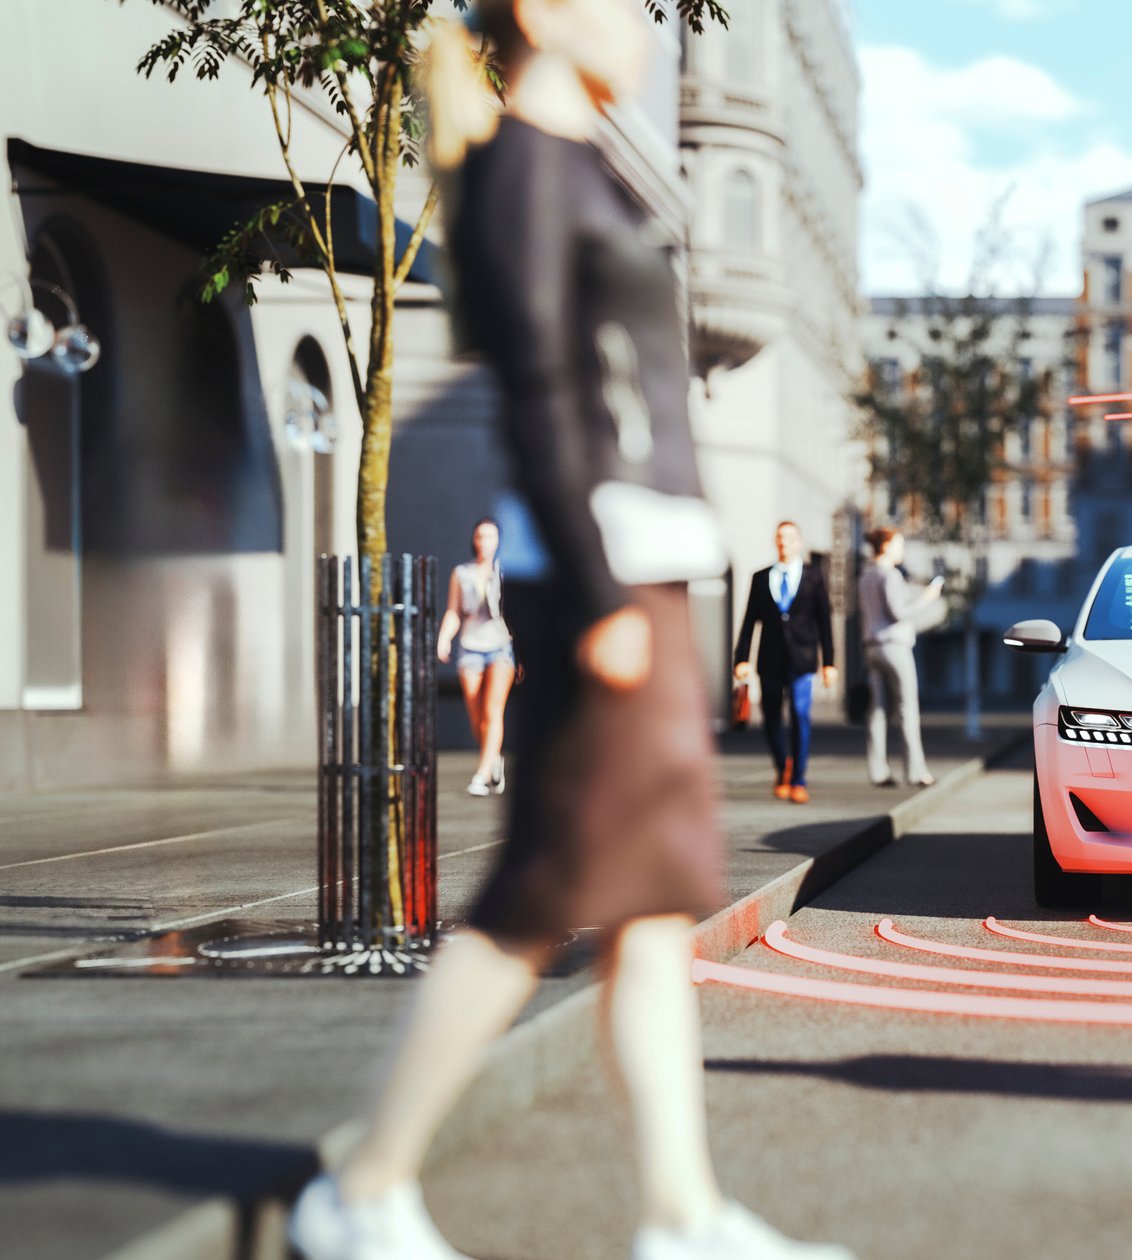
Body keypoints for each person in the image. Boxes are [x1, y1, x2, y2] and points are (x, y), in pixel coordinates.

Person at [287, 4, 854, 1258]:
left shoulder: (579, 162)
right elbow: (544, 399)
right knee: (541, 891)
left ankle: (680, 1217)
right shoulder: (521, 174)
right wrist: (597, 603)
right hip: (598, 578)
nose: (644, 30)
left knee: (651, 908)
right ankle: (366, 1186)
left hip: (636, 569)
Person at [732, 521, 837, 805]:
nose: (784, 542)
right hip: (769, 658)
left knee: (801, 715)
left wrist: (829, 661)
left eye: (789, 537)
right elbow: (749, 621)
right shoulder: (760, 577)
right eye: (779, 537)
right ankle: (783, 768)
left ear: (798, 543)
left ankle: (799, 779)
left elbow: (824, 620)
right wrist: (741, 659)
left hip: (802, 659)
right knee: (771, 717)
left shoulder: (814, 576)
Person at [858, 527, 944, 788]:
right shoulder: (890, 575)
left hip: (871, 646)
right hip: (894, 646)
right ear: (885, 546)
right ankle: (916, 771)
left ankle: (878, 771)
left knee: (878, 711)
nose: (902, 550)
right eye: (899, 545)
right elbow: (898, 612)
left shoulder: (865, 576)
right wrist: (927, 598)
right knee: (907, 709)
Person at [436, 517, 516, 796]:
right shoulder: (462, 573)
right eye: (481, 537)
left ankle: (482, 775)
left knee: (493, 710)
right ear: (474, 540)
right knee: (475, 714)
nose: (485, 543)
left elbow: (519, 613)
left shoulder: (506, 572)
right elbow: (453, 610)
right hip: (471, 645)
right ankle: (493, 759)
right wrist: (444, 637)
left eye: (491, 537)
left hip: (501, 645)